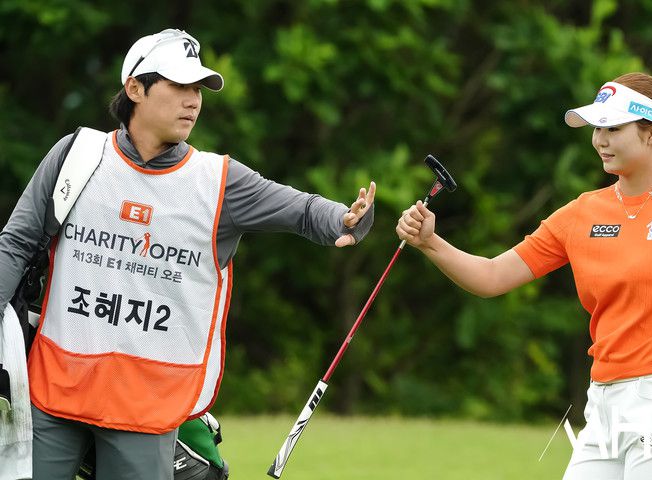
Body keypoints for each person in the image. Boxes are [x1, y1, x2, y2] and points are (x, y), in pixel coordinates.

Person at [0, 28, 376, 479]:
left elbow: (303, 210)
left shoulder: (219, 181)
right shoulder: (75, 156)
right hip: (53, 391)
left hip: (147, 408)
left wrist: (345, 219)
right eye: (179, 85)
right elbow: (15, 244)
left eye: (198, 89)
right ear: (134, 88)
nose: (193, 100)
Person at [396, 72, 652, 479]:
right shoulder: (581, 213)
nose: (600, 140)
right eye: (597, 128)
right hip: (603, 409)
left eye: (613, 128)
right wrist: (430, 242)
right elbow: (492, 276)